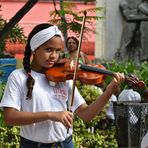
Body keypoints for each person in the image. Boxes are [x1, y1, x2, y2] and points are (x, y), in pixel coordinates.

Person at [0, 23, 124, 148]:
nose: (54, 56)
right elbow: (9, 117)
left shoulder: (64, 77)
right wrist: (51, 115)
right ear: (35, 49)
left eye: (58, 50)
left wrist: (109, 91)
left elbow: (87, 114)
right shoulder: (18, 77)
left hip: (65, 144)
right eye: (48, 49)